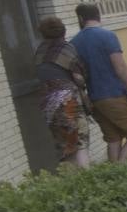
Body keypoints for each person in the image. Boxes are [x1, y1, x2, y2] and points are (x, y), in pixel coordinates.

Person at [71, 3, 127, 162]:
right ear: (98, 15)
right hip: (115, 96)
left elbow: (77, 76)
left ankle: (113, 175)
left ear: (80, 18)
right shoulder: (108, 36)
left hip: (95, 99)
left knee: (113, 139)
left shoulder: (74, 43)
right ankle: (121, 170)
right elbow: (120, 67)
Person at [32, 16, 92, 168]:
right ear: (63, 31)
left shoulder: (39, 52)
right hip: (68, 101)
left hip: (48, 104)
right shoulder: (67, 49)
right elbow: (79, 78)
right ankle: (88, 178)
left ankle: (68, 183)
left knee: (64, 144)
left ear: (43, 34)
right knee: (80, 142)